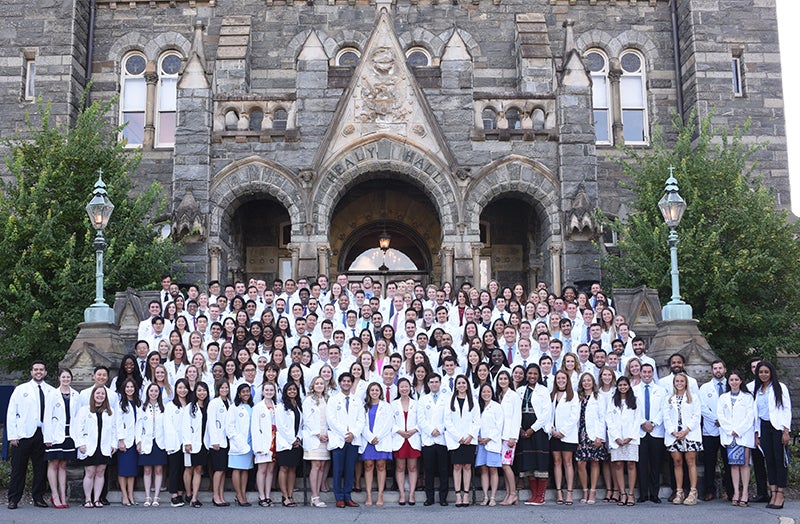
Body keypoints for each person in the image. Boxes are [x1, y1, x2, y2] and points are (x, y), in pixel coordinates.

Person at [6, 360, 54, 509]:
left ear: (45, 372)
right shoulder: (21, 389)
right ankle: (14, 499)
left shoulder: (51, 391)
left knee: (41, 468)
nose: (38, 372)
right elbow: (12, 413)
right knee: (18, 468)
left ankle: (38, 497)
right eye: (35, 369)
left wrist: (51, 436)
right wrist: (12, 435)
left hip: (43, 434)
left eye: (41, 370)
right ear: (31, 372)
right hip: (23, 435)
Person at [753, 361, 792, 510]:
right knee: (769, 461)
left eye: (766, 372)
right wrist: (757, 434)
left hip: (777, 427)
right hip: (764, 427)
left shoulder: (779, 387)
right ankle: (773, 492)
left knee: (779, 460)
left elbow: (786, 409)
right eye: (761, 372)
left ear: (771, 373)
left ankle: (780, 494)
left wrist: (786, 431)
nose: (763, 374)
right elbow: (757, 414)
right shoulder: (758, 390)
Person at [664, 372, 703, 505]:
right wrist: (673, 432)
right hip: (674, 436)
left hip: (690, 434)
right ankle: (679, 491)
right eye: (677, 381)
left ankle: (692, 491)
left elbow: (696, 416)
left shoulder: (694, 398)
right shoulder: (669, 399)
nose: (679, 383)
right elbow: (666, 417)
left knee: (690, 461)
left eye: (682, 381)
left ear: (686, 383)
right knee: (677, 462)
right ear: (674, 383)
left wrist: (686, 431)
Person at [43, 368, 79, 509]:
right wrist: (48, 437)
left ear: (71, 378)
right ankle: (55, 495)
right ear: (59, 378)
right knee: (54, 464)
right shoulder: (52, 394)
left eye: (68, 377)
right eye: (63, 377)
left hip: (70, 433)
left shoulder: (76, 394)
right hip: (55, 434)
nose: (65, 379)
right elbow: (47, 417)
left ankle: (63, 496)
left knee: (63, 465)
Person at [717, 370, 754, 507]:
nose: (734, 382)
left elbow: (750, 416)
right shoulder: (723, 397)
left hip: (743, 435)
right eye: (731, 380)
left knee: (744, 464)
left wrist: (739, 430)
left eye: (736, 380)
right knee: (733, 465)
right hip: (729, 435)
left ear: (741, 381)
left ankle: (745, 493)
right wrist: (729, 430)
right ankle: (736, 493)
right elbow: (721, 415)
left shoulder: (747, 397)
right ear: (728, 382)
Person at [328, 372, 365, 508]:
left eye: (349, 381)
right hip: (339, 439)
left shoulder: (357, 400)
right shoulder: (333, 400)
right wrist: (345, 433)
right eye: (343, 381)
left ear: (352, 383)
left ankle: (348, 496)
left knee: (350, 470)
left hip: (353, 440)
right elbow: (331, 420)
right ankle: (339, 497)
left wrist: (353, 434)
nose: (346, 383)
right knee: (338, 470)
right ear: (339, 383)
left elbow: (361, 420)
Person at [517, 363, 552, 506]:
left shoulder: (543, 391)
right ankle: (533, 495)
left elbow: (546, 414)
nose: (532, 376)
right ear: (526, 375)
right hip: (522, 427)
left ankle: (540, 496)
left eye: (535, 374)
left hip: (537, 430)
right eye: (530, 373)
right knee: (529, 462)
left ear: (538, 376)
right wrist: (520, 428)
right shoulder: (519, 390)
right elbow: (514, 411)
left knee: (540, 462)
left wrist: (532, 429)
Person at [75, 385, 116, 508]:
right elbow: (78, 428)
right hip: (89, 446)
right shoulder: (84, 410)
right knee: (90, 472)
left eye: (102, 394)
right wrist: (80, 443)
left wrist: (114, 444)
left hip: (104, 446)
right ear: (93, 395)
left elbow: (114, 429)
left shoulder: (110, 412)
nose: (100, 396)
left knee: (100, 472)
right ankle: (88, 499)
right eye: (98, 393)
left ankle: (97, 499)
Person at [699, 359, 732, 501]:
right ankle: (709, 490)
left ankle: (731, 491)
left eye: (720, 368)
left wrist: (724, 421)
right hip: (710, 429)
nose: (718, 370)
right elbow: (702, 407)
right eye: (715, 368)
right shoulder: (705, 388)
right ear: (712, 371)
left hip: (727, 430)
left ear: (725, 369)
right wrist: (716, 419)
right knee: (709, 462)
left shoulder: (732, 385)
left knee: (729, 462)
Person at [633, 363, 666, 503]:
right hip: (640, 431)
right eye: (644, 372)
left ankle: (654, 494)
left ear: (653, 374)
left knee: (655, 464)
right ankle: (643, 493)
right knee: (641, 464)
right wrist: (643, 422)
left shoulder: (661, 390)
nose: (646, 374)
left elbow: (664, 410)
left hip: (656, 431)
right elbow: (633, 409)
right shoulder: (634, 390)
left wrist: (653, 423)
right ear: (640, 373)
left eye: (649, 372)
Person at [606, 376, 642, 507]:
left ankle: (631, 493)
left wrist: (629, 437)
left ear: (629, 386)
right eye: (620, 385)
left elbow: (637, 419)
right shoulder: (612, 401)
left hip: (630, 439)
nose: (623, 387)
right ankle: (622, 493)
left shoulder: (635, 400)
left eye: (625, 385)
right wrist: (616, 437)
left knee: (631, 464)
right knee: (618, 465)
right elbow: (609, 419)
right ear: (617, 387)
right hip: (617, 439)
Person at [445, 374, 479, 507]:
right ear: (455, 385)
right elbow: (447, 421)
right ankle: (458, 495)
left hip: (469, 440)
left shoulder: (473, 401)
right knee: (457, 466)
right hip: (456, 439)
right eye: (459, 383)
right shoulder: (450, 400)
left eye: (463, 383)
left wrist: (470, 435)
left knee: (467, 466)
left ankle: (466, 494)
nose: (461, 385)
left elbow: (477, 421)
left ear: (467, 385)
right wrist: (458, 437)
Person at [418, 373, 450, 506]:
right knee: (429, 470)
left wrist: (440, 430)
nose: (434, 384)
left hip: (442, 439)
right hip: (428, 439)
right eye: (431, 382)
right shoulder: (423, 399)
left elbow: (448, 418)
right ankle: (429, 498)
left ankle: (443, 498)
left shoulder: (447, 398)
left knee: (443, 470)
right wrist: (431, 430)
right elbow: (421, 420)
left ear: (440, 383)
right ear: (428, 384)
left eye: (436, 382)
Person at [360, 382, 393, 507]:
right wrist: (370, 437)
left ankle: (380, 495)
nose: (374, 392)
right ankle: (368, 495)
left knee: (381, 465)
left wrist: (377, 437)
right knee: (368, 465)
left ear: (380, 392)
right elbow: (361, 424)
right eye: (372, 390)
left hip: (381, 439)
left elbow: (388, 424)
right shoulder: (364, 407)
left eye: (377, 390)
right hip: (368, 440)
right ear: (368, 392)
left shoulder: (387, 406)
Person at [575, 372, 606, 505]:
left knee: (594, 461)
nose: (586, 383)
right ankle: (585, 490)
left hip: (594, 433)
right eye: (584, 381)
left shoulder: (599, 397)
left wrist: (600, 436)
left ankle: (593, 491)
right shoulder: (577, 397)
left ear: (593, 382)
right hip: (580, 433)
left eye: (589, 380)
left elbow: (602, 417)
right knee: (581, 463)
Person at [550, 370, 579, 505]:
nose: (560, 380)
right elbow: (547, 414)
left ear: (567, 380)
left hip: (567, 434)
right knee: (557, 462)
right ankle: (559, 492)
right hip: (553, 434)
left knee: (568, 462)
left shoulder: (573, 395)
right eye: (558, 378)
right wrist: (552, 429)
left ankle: (569, 492)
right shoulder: (552, 395)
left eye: (563, 378)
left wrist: (562, 432)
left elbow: (574, 417)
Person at [137, 383, 168, 506]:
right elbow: (138, 426)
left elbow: (166, 427)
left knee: (159, 470)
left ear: (159, 393)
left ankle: (156, 497)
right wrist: (138, 441)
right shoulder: (142, 408)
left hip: (160, 442)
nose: (153, 393)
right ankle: (147, 496)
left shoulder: (164, 408)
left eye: (156, 391)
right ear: (147, 392)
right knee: (147, 469)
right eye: (151, 391)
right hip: (146, 441)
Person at [302, 377, 330, 507]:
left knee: (322, 466)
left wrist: (327, 434)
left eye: (321, 383)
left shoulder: (327, 399)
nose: (319, 385)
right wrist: (318, 434)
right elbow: (306, 420)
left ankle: (317, 494)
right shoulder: (309, 400)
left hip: (325, 437)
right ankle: (314, 496)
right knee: (316, 465)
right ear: (313, 386)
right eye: (317, 383)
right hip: (314, 437)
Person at [496, 370, 521, 505]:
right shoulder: (500, 395)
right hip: (500, 435)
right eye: (500, 379)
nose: (503, 381)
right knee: (504, 465)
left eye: (505, 378)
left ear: (509, 380)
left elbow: (517, 416)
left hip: (509, 436)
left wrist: (513, 436)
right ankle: (508, 494)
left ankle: (513, 493)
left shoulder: (514, 396)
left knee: (506, 465)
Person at [183, 381, 210, 508]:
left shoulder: (209, 406)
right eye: (199, 390)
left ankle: (194, 497)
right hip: (192, 442)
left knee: (199, 469)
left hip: (204, 442)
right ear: (195, 392)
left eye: (204, 390)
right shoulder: (190, 407)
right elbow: (185, 426)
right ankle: (188, 494)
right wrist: (187, 442)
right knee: (189, 468)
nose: (202, 393)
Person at [276, 382, 304, 507]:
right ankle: (284, 496)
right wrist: (291, 440)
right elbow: (281, 426)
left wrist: (298, 438)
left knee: (293, 468)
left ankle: (291, 495)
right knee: (284, 468)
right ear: (285, 391)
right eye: (289, 389)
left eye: (294, 389)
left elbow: (301, 425)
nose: (292, 391)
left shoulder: (298, 406)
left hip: (296, 443)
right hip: (285, 442)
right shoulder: (281, 407)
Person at [476, 383, 503, 506]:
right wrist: (479, 438)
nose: (486, 394)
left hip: (492, 442)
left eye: (488, 392)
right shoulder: (477, 407)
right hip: (480, 443)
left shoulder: (497, 407)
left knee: (493, 469)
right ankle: (485, 496)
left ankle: (493, 497)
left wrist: (488, 438)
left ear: (492, 393)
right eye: (484, 392)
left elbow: (499, 425)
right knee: (483, 469)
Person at [227, 383, 255, 506]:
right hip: (238, 443)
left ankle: (243, 493)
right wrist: (237, 440)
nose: (246, 394)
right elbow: (229, 427)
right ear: (239, 394)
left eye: (248, 391)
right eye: (243, 392)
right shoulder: (234, 407)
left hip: (249, 443)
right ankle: (238, 495)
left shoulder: (252, 407)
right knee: (237, 469)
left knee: (245, 470)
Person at [115, 378, 141, 506]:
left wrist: (139, 441)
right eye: (127, 387)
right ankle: (124, 495)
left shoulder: (138, 403)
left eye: (132, 387)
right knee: (123, 470)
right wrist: (121, 440)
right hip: (124, 441)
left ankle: (131, 494)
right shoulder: (121, 404)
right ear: (124, 389)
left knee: (132, 471)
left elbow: (140, 423)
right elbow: (118, 423)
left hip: (134, 441)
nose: (130, 389)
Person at [164, 378, 190, 507]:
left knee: (183, 469)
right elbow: (168, 426)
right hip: (175, 442)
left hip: (188, 443)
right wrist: (176, 441)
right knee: (174, 469)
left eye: (185, 388)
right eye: (180, 388)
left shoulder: (190, 404)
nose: (182, 390)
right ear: (176, 389)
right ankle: (174, 494)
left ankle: (181, 492)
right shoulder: (170, 405)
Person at [207, 380, 231, 506]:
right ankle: (215, 496)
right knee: (218, 469)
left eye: (226, 387)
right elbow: (211, 423)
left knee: (223, 470)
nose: (224, 390)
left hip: (226, 441)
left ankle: (221, 496)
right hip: (217, 442)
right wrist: (214, 441)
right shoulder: (214, 403)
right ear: (218, 389)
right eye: (222, 388)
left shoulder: (229, 402)